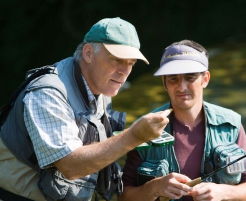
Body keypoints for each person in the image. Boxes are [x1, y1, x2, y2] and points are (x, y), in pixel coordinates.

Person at [0, 17, 172, 201]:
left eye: (131, 63)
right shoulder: (47, 93)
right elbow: (71, 166)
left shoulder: (101, 88)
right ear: (88, 53)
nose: (124, 71)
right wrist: (134, 136)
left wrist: (156, 187)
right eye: (117, 60)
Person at [118, 40, 246, 201]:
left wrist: (223, 192)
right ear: (164, 83)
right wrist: (156, 187)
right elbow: (123, 196)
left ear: (205, 79)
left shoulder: (230, 125)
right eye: (173, 79)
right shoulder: (144, 128)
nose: (182, 87)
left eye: (190, 77)